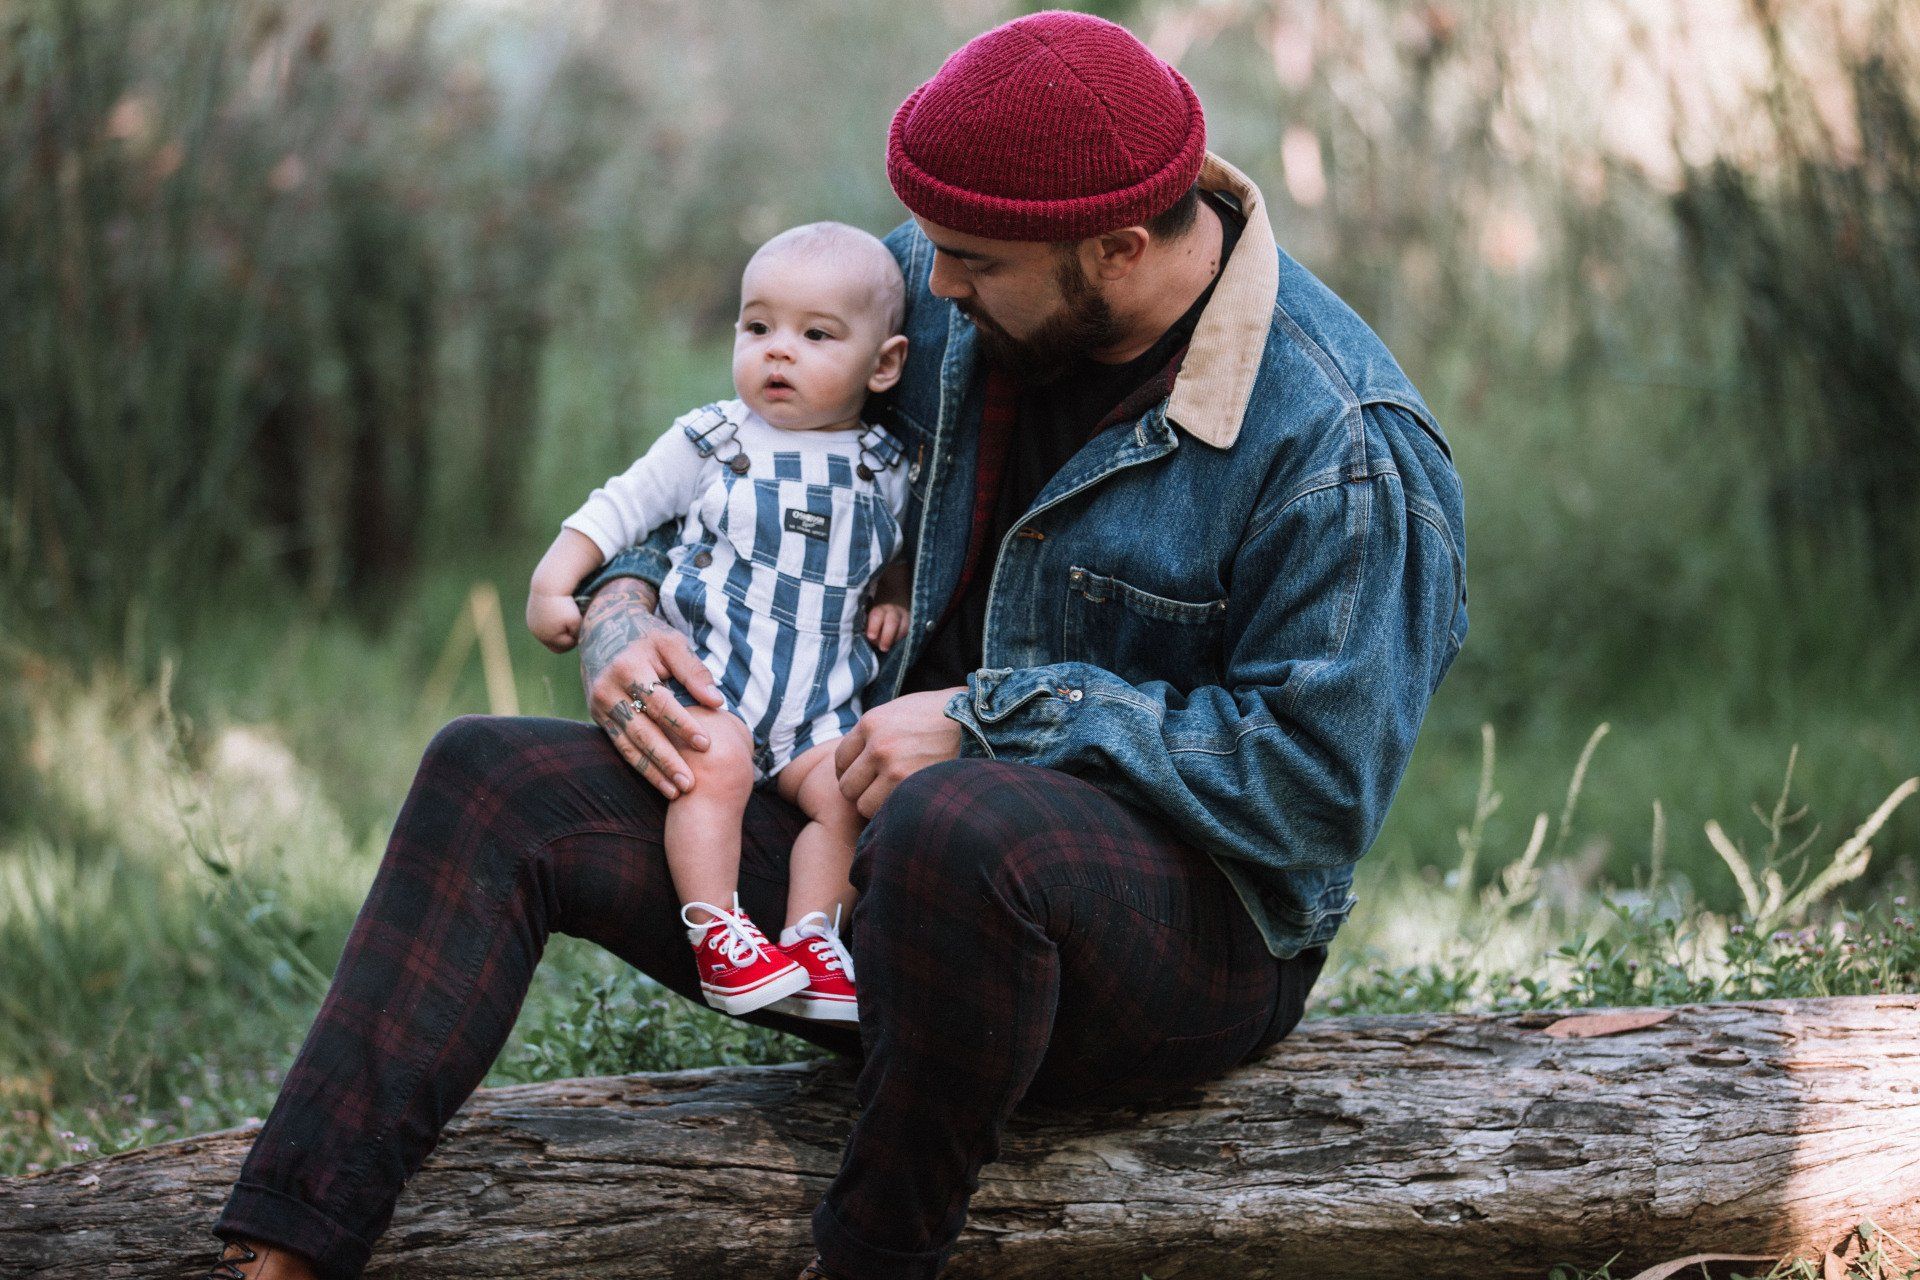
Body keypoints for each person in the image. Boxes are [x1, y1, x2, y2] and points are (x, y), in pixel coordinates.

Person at [203, 11, 1466, 1280]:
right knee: (488, 776)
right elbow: (741, 457)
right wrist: (625, 610)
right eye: (934, 249)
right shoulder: (954, 273)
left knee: (957, 821)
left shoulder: (1342, 443)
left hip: (1171, 949)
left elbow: (1316, 788)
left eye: (970, 263)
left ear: (1119, 248)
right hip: (863, 867)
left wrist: (993, 719)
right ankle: (288, 1247)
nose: (937, 283)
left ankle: (873, 1257)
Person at [525, 221, 913, 1022]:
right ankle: (719, 934)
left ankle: (813, 939)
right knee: (714, 767)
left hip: (818, 709)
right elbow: (621, 507)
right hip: (714, 684)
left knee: (846, 796)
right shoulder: (713, 439)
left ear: (883, 365)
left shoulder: (887, 466)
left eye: (815, 335)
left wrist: (894, 595)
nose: (779, 352)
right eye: (758, 327)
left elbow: (901, 550)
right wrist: (553, 583)